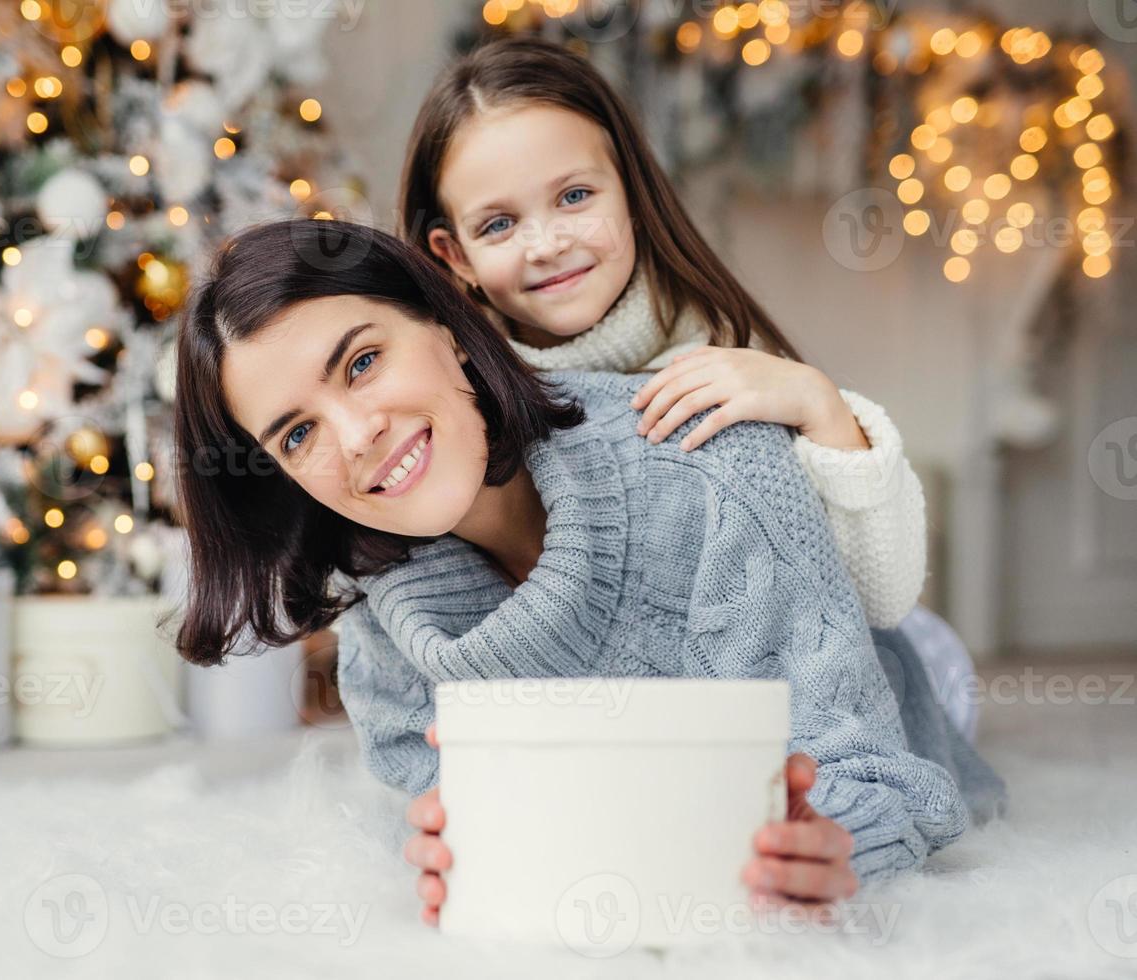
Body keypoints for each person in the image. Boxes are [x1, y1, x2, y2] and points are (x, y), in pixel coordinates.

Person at [172, 217, 1005, 924]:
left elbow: (881, 778)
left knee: (918, 659)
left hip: (889, 669)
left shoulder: (710, 463)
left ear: (447, 332)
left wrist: (834, 844)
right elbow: (430, 798)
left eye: (360, 363)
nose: (354, 437)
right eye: (296, 435)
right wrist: (442, 842)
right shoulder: (377, 602)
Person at [397, 37, 981, 744]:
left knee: (925, 668)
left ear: (632, 195)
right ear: (452, 255)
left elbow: (879, 599)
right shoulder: (454, 408)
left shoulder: (721, 362)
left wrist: (819, 406)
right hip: (629, 701)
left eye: (575, 196)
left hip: (841, 652)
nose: (546, 243)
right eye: (499, 223)